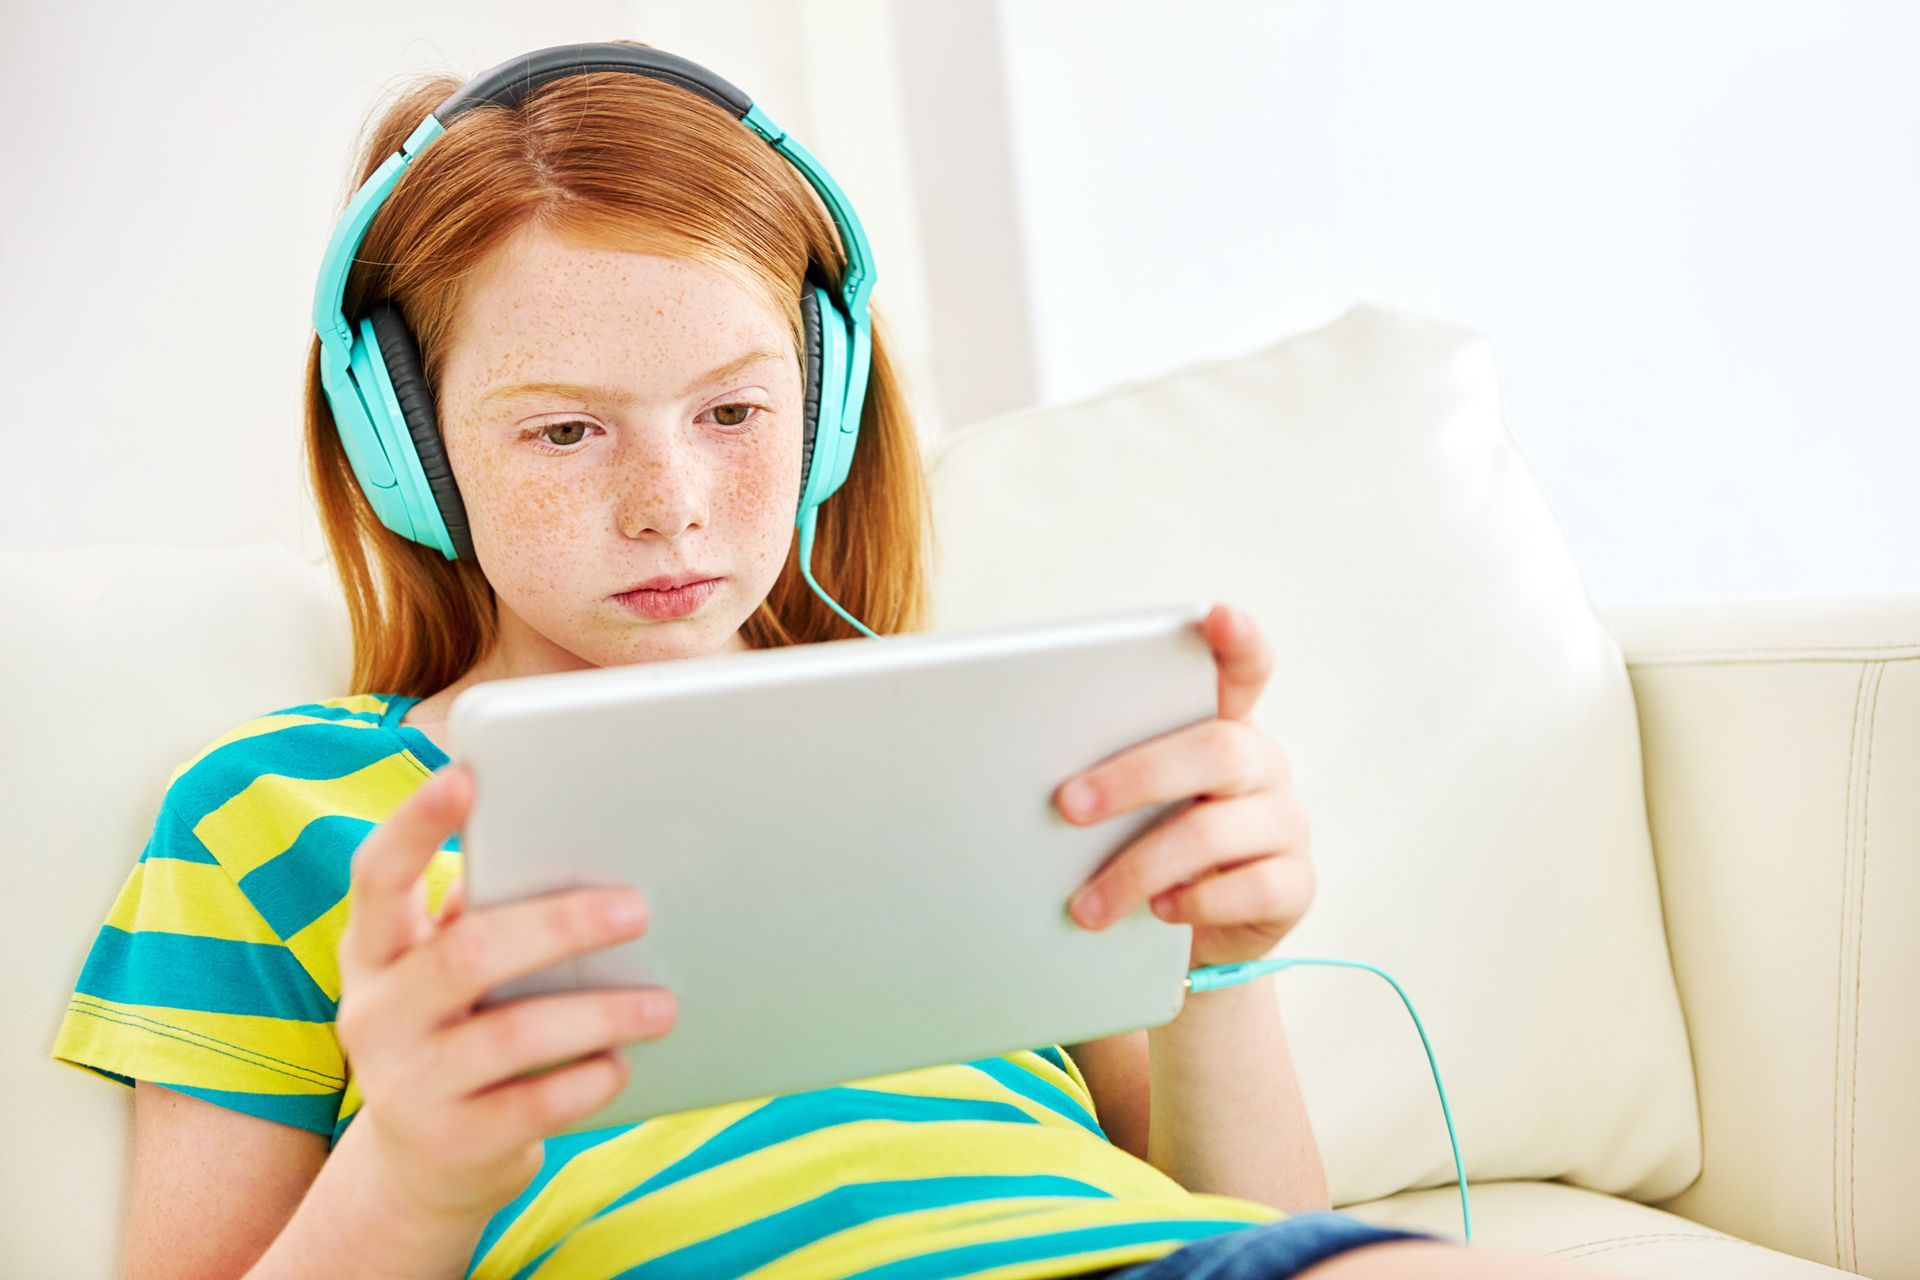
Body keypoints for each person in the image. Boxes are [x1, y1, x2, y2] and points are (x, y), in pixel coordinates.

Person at [49, 39, 1610, 1280]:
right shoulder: (281, 807)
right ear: (408, 452)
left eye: (734, 412)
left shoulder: (989, 748)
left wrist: (1217, 974)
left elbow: (1234, 1215)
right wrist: (413, 1169)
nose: (669, 504)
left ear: (828, 403)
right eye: (566, 429)